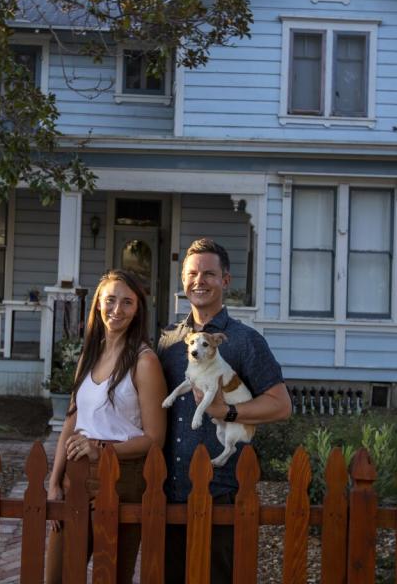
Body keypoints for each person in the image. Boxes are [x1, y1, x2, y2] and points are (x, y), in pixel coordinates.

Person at [158, 238, 292, 584]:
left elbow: (280, 405)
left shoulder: (245, 341)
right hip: (168, 491)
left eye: (209, 274)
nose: (199, 281)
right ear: (182, 279)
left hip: (221, 490)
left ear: (225, 281)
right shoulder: (170, 342)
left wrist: (228, 413)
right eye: (192, 274)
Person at [44, 269, 167, 584]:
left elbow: (155, 439)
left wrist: (100, 450)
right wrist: (55, 480)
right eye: (110, 300)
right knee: (58, 575)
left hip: (123, 479)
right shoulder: (90, 353)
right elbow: (72, 420)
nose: (117, 310)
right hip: (77, 473)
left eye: (127, 302)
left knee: (109, 577)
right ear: (98, 303)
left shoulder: (144, 361)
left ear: (138, 309)